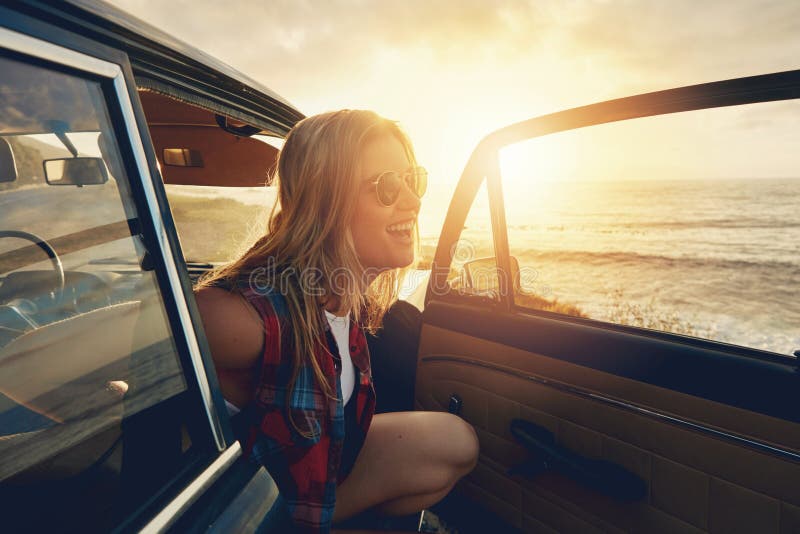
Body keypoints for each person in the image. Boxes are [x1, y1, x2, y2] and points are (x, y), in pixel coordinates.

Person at [194, 110, 479, 533]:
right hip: (250, 514)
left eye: (412, 179)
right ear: (326, 200)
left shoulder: (344, 300)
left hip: (313, 476)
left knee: (456, 445)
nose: (414, 201)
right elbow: (159, 323)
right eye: (386, 187)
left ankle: (316, 510)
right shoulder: (249, 319)